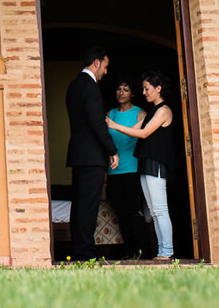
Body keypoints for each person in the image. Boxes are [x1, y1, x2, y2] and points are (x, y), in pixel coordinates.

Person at [107, 69, 175, 261]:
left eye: (147, 89)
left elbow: (143, 133)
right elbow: (134, 130)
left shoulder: (163, 110)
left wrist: (114, 125)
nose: (144, 93)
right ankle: (162, 251)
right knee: (153, 211)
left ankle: (167, 251)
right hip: (145, 163)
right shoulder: (152, 111)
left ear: (158, 89)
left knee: (160, 209)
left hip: (156, 163)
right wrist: (114, 126)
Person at [64, 45, 118, 261]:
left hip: (78, 155)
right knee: (88, 206)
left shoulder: (74, 85)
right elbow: (97, 123)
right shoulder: (91, 87)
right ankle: (84, 254)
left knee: (78, 205)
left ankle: (78, 250)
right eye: (105, 66)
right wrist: (112, 150)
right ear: (96, 63)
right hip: (92, 157)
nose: (105, 71)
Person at [104, 77, 152, 260]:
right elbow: (105, 143)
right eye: (118, 89)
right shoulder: (111, 113)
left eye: (125, 89)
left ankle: (142, 252)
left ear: (132, 93)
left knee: (135, 212)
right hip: (113, 169)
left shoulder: (141, 114)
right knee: (121, 214)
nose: (121, 93)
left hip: (132, 168)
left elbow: (140, 135)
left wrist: (115, 126)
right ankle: (129, 251)